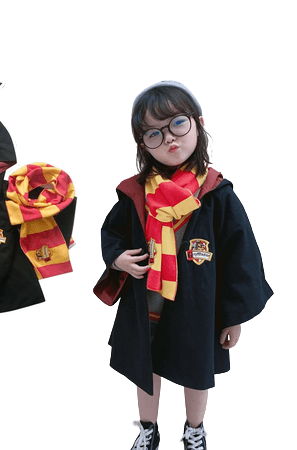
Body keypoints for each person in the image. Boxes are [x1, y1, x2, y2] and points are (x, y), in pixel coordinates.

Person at [93, 81, 273, 450]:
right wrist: (118, 258)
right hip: (147, 300)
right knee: (146, 368)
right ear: (143, 144)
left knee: (196, 369)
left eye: (177, 123)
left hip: (198, 304)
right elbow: (112, 233)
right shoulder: (136, 192)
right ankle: (148, 428)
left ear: (198, 123)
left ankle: (195, 429)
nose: (169, 139)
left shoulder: (216, 193)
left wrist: (233, 316)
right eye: (154, 133)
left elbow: (240, 257)